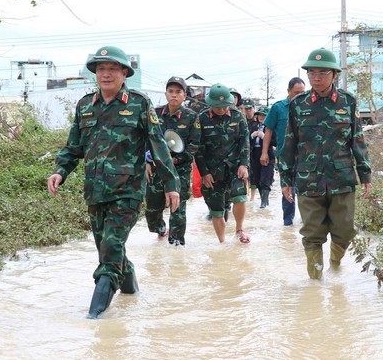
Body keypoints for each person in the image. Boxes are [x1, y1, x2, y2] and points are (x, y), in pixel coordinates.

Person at [47, 46, 180, 319]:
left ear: (124, 73)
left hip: (127, 192)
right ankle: (131, 292)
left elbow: (158, 146)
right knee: (109, 247)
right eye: (100, 69)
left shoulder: (139, 104)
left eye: (111, 69)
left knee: (109, 254)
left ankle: (93, 318)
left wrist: (171, 184)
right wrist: (61, 171)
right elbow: (73, 146)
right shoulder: (85, 105)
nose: (105, 74)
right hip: (95, 192)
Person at [278, 48, 372, 280]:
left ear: (334, 75)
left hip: (341, 178)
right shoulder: (298, 104)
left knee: (345, 232)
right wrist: (285, 179)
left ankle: (335, 265)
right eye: (312, 73)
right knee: (312, 235)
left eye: (322, 73)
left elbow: (357, 141)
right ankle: (316, 283)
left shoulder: (348, 102)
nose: (316, 78)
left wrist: (365, 175)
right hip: (308, 179)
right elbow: (289, 143)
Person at [145, 76, 200, 246]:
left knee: (178, 209)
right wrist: (147, 161)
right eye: (170, 91)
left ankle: (176, 245)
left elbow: (194, 145)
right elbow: (146, 139)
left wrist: (175, 160)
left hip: (180, 170)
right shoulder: (154, 114)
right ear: (166, 94)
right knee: (152, 209)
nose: (174, 95)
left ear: (184, 96)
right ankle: (160, 229)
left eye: (178, 92)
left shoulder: (191, 117)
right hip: (156, 169)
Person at [195, 83, 251, 243]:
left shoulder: (238, 117)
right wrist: (204, 172)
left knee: (240, 197)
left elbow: (244, 141)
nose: (221, 109)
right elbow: (198, 148)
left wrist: (244, 164)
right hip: (212, 171)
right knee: (217, 210)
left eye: (224, 106)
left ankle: (239, 230)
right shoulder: (202, 119)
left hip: (235, 167)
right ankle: (222, 242)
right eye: (217, 106)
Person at [260, 77, 306, 225]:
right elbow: (268, 130)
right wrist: (264, 153)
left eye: (302, 93)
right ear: (288, 91)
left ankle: (306, 222)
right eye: (296, 93)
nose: (299, 96)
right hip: (285, 156)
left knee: (306, 190)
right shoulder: (278, 108)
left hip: (306, 156)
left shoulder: (308, 107)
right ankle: (288, 224)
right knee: (287, 190)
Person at [249, 106, 275, 209]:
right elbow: (246, 141)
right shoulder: (254, 127)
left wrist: (264, 136)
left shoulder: (271, 128)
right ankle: (264, 201)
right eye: (260, 115)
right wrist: (252, 136)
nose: (261, 117)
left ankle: (264, 203)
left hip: (268, 155)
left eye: (264, 115)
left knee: (265, 179)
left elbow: (275, 142)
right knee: (257, 179)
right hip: (255, 155)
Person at [242, 99, 258, 201]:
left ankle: (252, 198)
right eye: (246, 109)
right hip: (243, 150)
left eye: (250, 108)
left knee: (254, 173)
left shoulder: (259, 120)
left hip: (255, 150)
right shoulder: (241, 120)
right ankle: (245, 194)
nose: (248, 111)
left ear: (254, 108)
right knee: (243, 173)